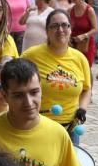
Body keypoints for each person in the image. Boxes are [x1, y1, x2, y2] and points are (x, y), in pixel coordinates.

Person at [22, 9, 91, 155]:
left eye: (65, 25)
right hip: (39, 126)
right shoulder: (31, 55)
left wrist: (82, 109)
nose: (60, 30)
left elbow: (86, 89)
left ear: (70, 30)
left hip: (70, 129)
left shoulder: (80, 59)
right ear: (47, 31)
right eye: (55, 26)